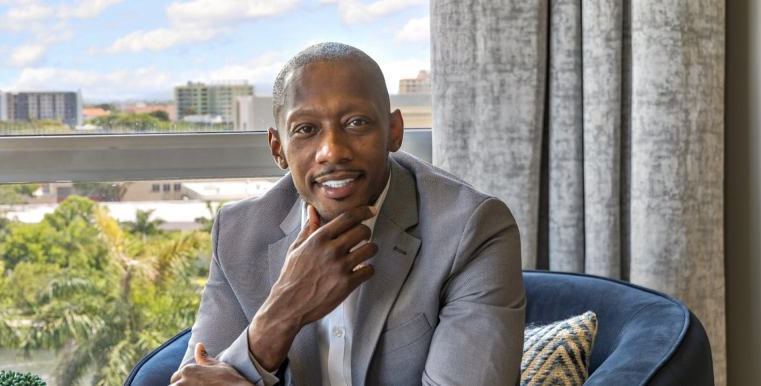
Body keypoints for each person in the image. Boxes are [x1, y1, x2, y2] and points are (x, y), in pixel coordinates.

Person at [169, 42, 525, 386]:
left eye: (356, 123)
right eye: (306, 129)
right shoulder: (237, 234)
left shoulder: (472, 229)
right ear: (278, 149)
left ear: (394, 132)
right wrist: (283, 311)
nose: (332, 151)